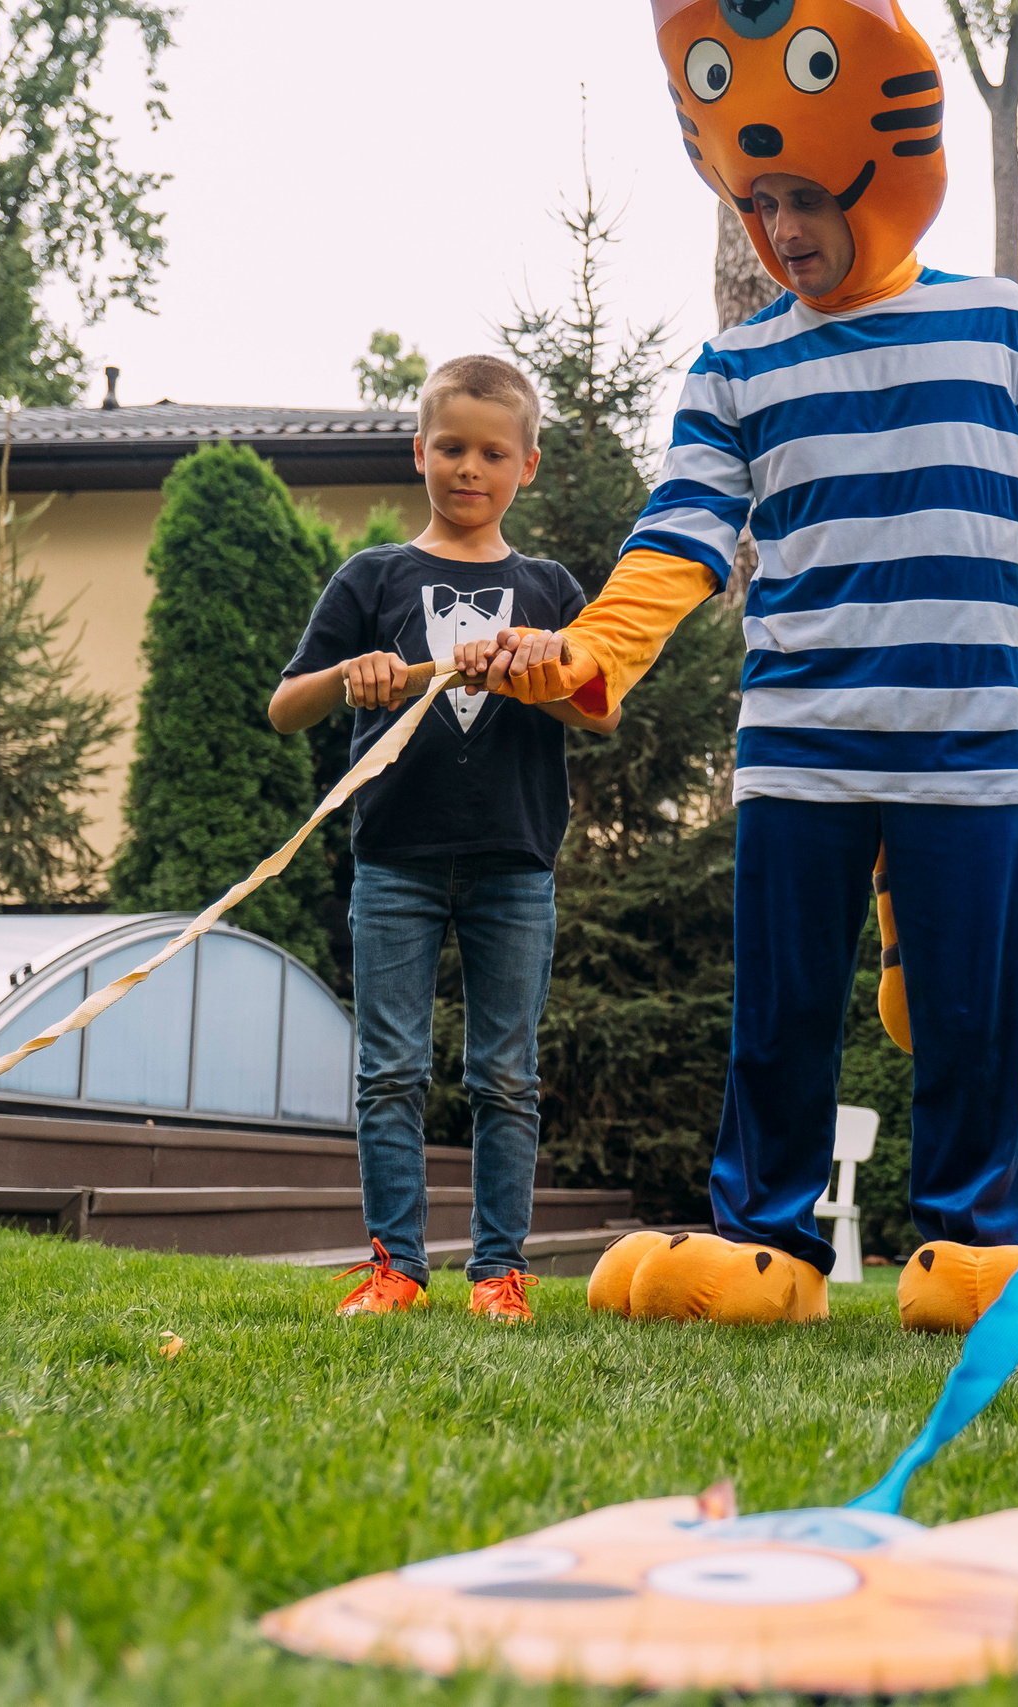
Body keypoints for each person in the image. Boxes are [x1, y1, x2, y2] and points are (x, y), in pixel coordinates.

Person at [464, 0, 1018, 1327]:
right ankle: (767, 1242)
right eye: (762, 206)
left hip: (970, 747)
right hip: (799, 749)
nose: (787, 230)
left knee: (974, 1019)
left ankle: (975, 1247)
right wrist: (584, 650)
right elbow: (679, 538)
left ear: (878, 178)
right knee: (784, 1010)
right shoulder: (735, 365)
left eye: (806, 196)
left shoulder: (1000, 325)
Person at [270, 355, 619, 1322]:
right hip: (394, 862)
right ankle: (396, 1269)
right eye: (453, 447)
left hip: (516, 864)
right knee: (389, 1069)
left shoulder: (549, 587)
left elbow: (603, 714)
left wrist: (548, 668)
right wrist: (351, 675)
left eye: (493, 452)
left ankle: (499, 1274)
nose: (471, 467)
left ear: (528, 466)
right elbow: (283, 707)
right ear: (417, 451)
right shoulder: (372, 577)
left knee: (506, 1074)